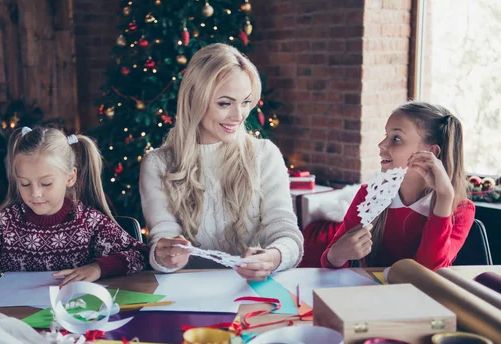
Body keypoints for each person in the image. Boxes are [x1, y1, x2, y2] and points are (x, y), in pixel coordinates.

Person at [139, 43, 303, 281]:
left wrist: (274, 257)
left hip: (252, 291)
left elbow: (285, 230)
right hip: (186, 294)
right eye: (225, 103)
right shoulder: (157, 164)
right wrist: (165, 255)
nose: (239, 116)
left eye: (246, 102)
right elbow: (162, 237)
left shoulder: (265, 155)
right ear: (195, 100)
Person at [0, 126, 148, 284]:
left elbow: (141, 255)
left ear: (70, 177)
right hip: (16, 320)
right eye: (24, 183)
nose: (35, 194)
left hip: (77, 318)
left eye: (46, 183)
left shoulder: (89, 222)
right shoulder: (4, 223)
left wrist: (98, 268)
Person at [321, 101, 475, 270]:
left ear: (431, 153)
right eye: (386, 135)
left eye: (396, 138)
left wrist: (445, 197)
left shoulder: (460, 210)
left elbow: (428, 272)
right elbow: (328, 262)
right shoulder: (369, 195)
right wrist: (337, 255)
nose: (381, 145)